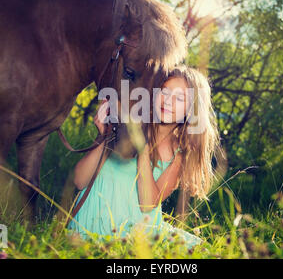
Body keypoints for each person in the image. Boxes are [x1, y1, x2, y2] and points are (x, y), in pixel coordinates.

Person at [67, 64, 221, 250]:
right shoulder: (126, 125)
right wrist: (105, 135)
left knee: (202, 252)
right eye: (164, 92)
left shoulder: (179, 153)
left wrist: (143, 149)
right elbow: (79, 180)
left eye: (180, 98)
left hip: (136, 235)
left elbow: (148, 204)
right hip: (90, 226)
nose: (168, 101)